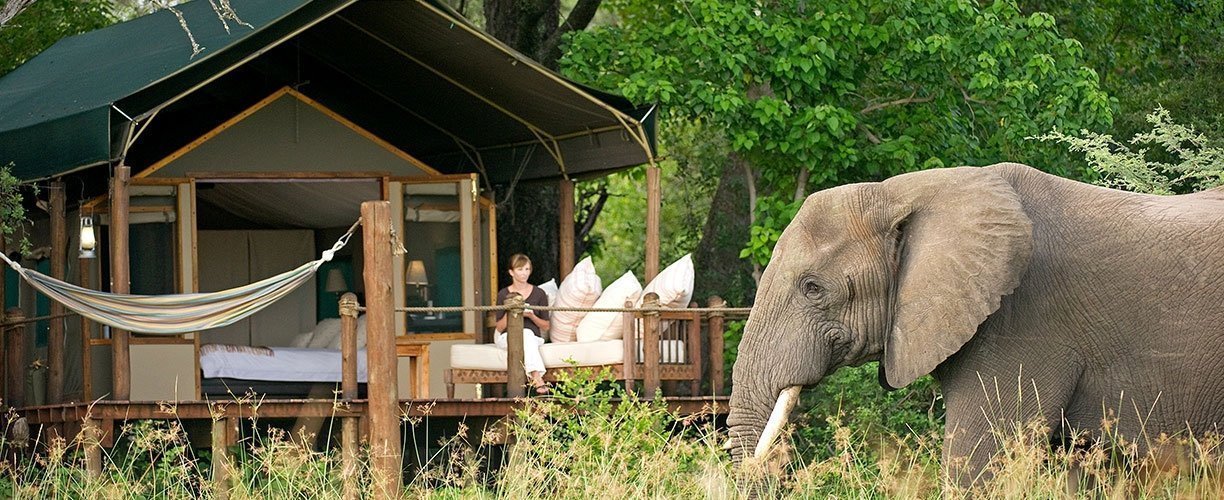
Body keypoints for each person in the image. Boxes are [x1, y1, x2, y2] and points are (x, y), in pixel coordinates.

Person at [494, 253, 552, 394]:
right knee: (523, 334)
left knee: (526, 334)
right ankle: (537, 378)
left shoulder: (539, 293)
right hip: (506, 338)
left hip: (533, 338)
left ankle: (535, 378)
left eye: (527, 269)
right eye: (520, 269)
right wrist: (513, 312)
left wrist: (531, 315)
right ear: (511, 272)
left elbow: (546, 326)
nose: (524, 273)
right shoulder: (503, 294)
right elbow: (499, 327)